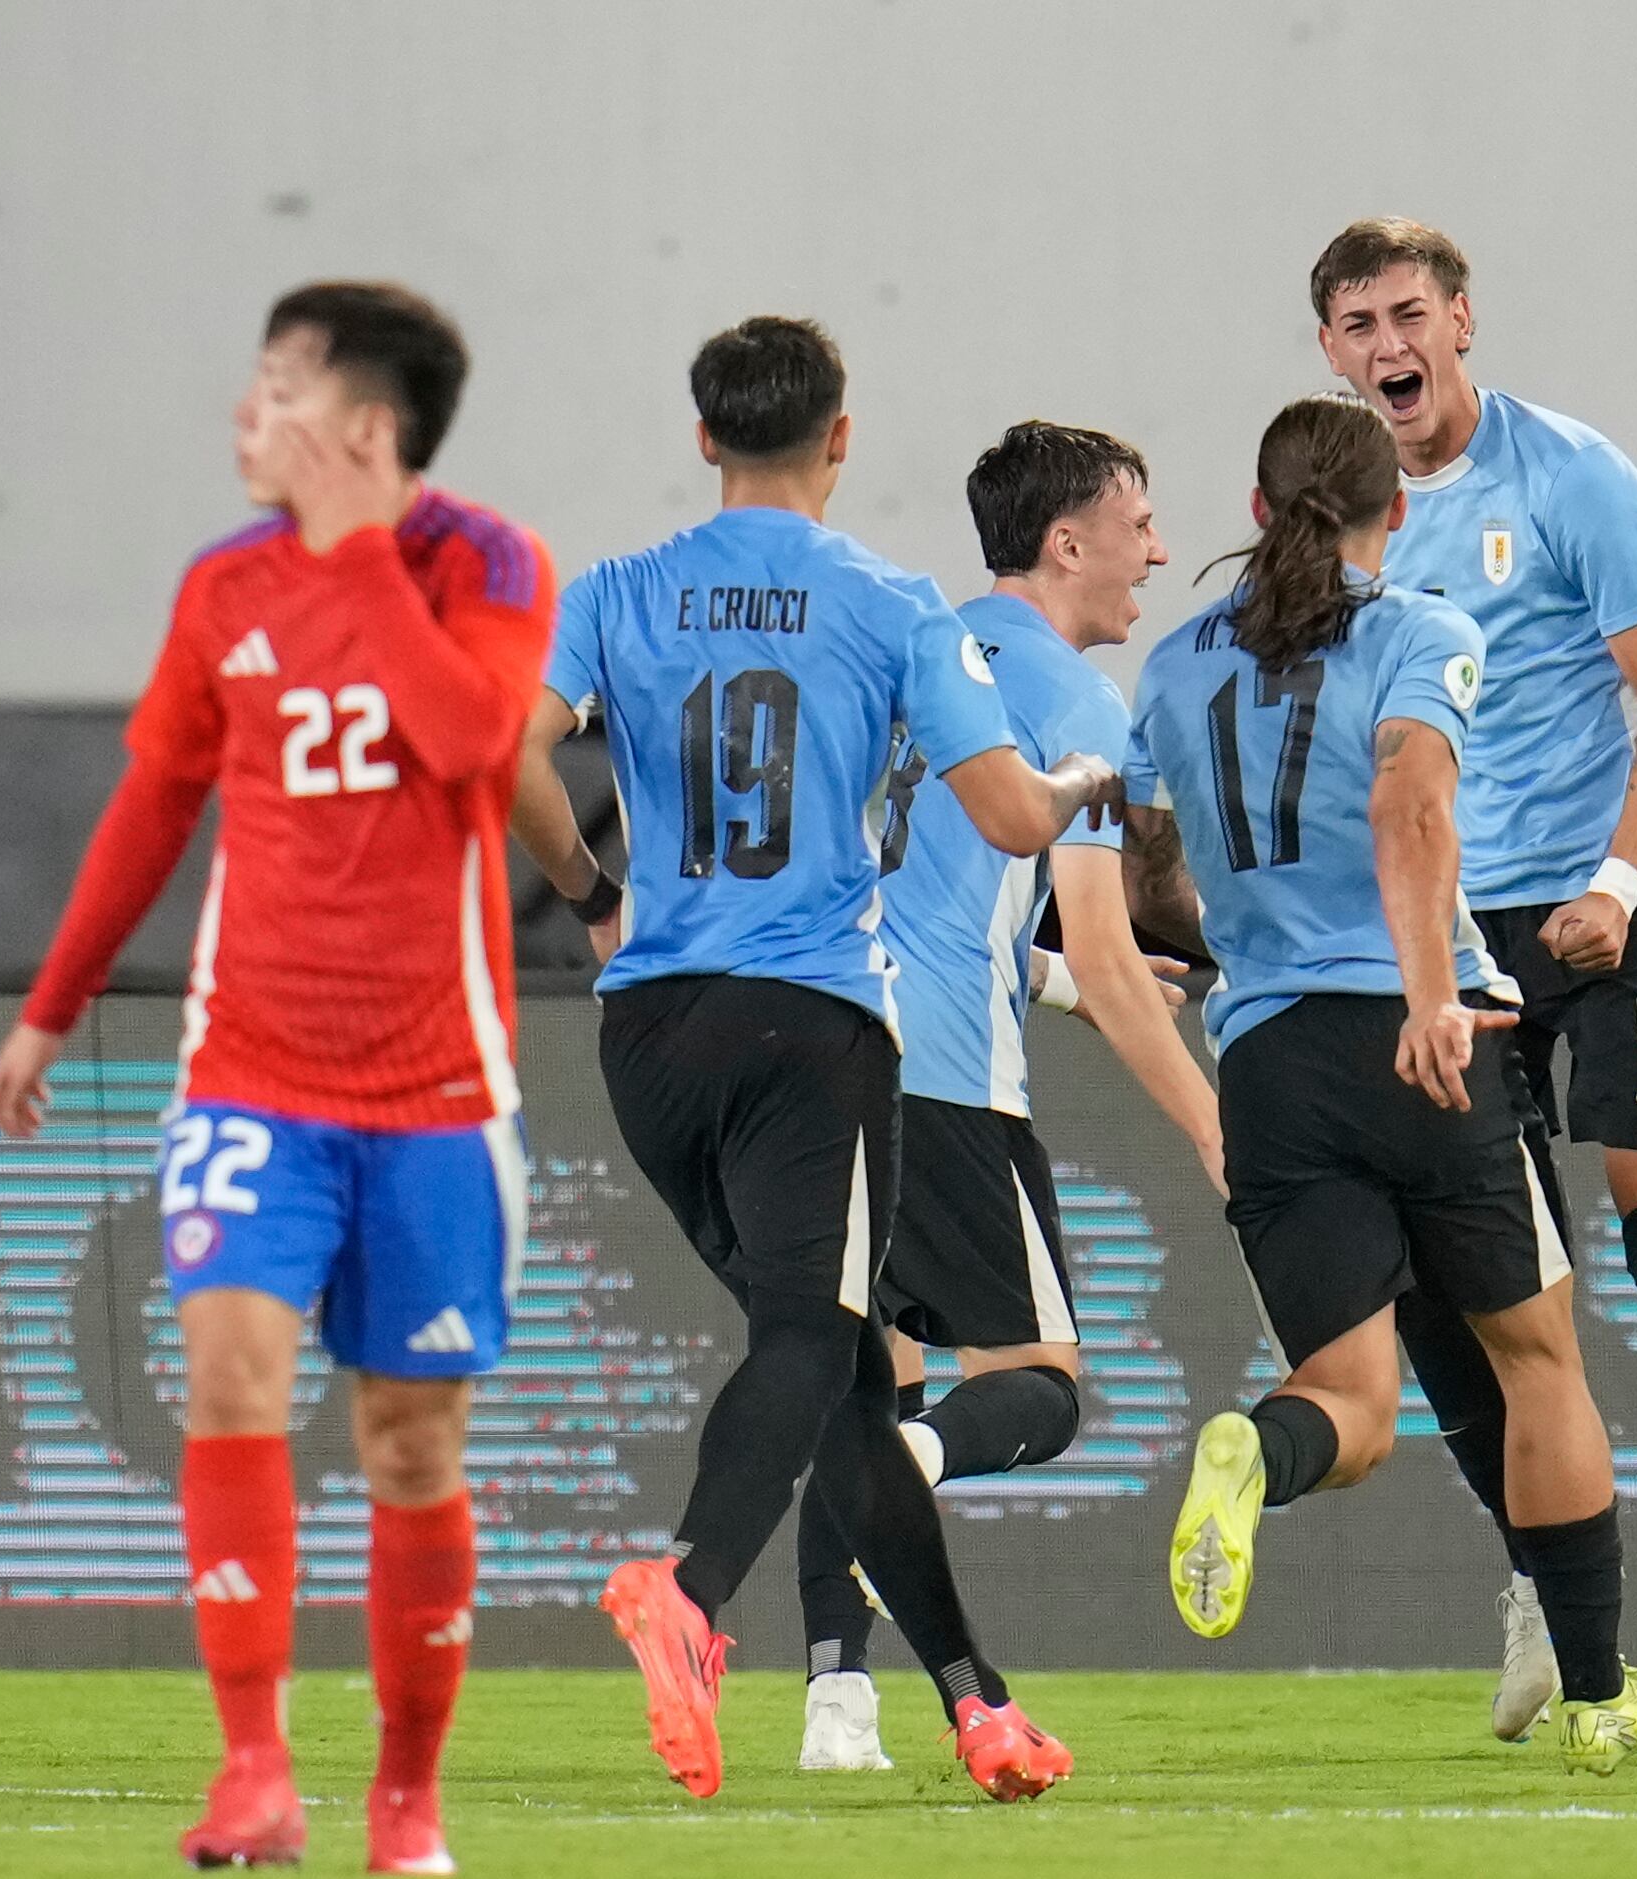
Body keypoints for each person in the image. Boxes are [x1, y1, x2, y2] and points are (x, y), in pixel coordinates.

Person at [0, 281, 554, 1874]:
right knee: (230, 1382)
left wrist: (361, 550)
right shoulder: (219, 584)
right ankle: (254, 1775)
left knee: (407, 1449)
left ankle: (406, 1804)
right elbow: (155, 805)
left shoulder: (486, 563)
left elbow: (467, 745)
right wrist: (52, 1004)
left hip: (440, 1094)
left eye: (278, 392)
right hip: (254, 1079)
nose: (247, 420)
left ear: (365, 429)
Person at [510, 318, 1108, 1803]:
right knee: (806, 1346)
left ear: (704, 438)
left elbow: (498, 756)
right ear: (840, 439)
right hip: (810, 1026)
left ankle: (977, 1704)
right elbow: (1016, 819)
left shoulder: (618, 591)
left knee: (844, 1375)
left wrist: (592, 898)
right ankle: (692, 1595)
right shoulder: (892, 604)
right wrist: (1083, 775)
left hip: (650, 1035)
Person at [1122, 393, 1637, 1777]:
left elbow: (1148, 869)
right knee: (1537, 1360)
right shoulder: (1420, 632)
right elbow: (1411, 805)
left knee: (1353, 1403)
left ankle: (1256, 1455)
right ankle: (1595, 1693)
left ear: (1255, 514)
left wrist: (1238, 944)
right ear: (1396, 512)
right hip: (1416, 1044)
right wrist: (1433, 989)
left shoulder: (1172, 662)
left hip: (1263, 1055)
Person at [1310, 216, 1637, 1729]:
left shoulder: (1568, 472)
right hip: (1462, 940)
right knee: (1468, 1275)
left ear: (1460, 322)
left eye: (1406, 315)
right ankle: (1533, 1580)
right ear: (1329, 352)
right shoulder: (1346, 525)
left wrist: (1615, 880)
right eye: (1355, 325)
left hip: (1622, 902)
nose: (1387, 347)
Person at [792, 422, 1227, 1773]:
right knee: (1038, 1390)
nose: (1157, 549)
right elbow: (1105, 947)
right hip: (942, 1081)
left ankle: (834, 1708)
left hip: (814, 1056)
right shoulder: (1076, 708)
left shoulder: (906, 655)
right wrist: (1226, 1139)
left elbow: (893, 879)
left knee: (868, 1383)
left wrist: (1043, 975)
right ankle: (910, 1476)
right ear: (1066, 541)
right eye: (1139, 522)